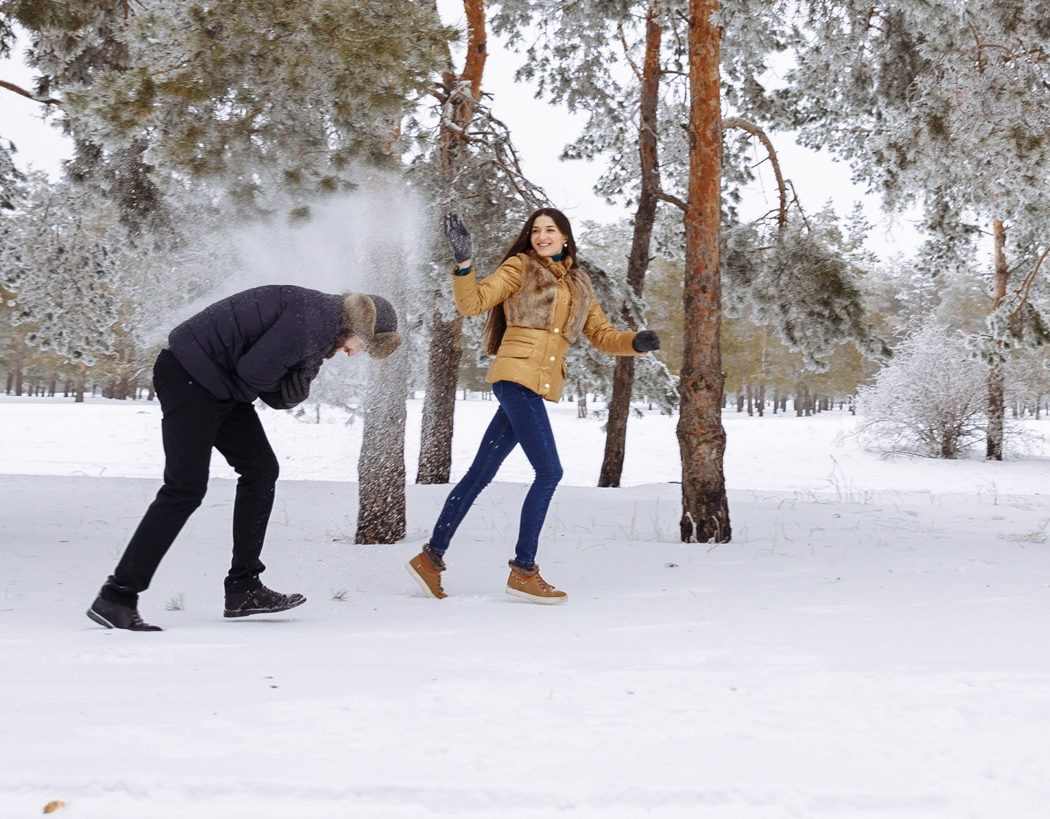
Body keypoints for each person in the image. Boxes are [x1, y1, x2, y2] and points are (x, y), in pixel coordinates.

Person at [87, 287, 404, 631]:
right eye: (364, 346)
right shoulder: (316, 323)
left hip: (218, 384)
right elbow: (255, 373)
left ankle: (244, 588)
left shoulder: (322, 320)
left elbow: (262, 373)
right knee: (184, 489)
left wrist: (294, 380)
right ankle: (117, 596)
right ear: (360, 327)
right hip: (190, 377)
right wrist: (296, 379)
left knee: (260, 469)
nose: (353, 354)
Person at [408, 207, 658, 605]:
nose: (542, 236)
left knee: (479, 474)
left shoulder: (579, 282)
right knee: (549, 471)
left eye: (550, 230)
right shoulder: (519, 267)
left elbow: (602, 334)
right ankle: (524, 570)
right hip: (515, 376)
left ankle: (430, 558)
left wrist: (635, 342)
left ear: (565, 237)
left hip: (535, 383)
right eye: (536, 230)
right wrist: (463, 262)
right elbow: (472, 304)